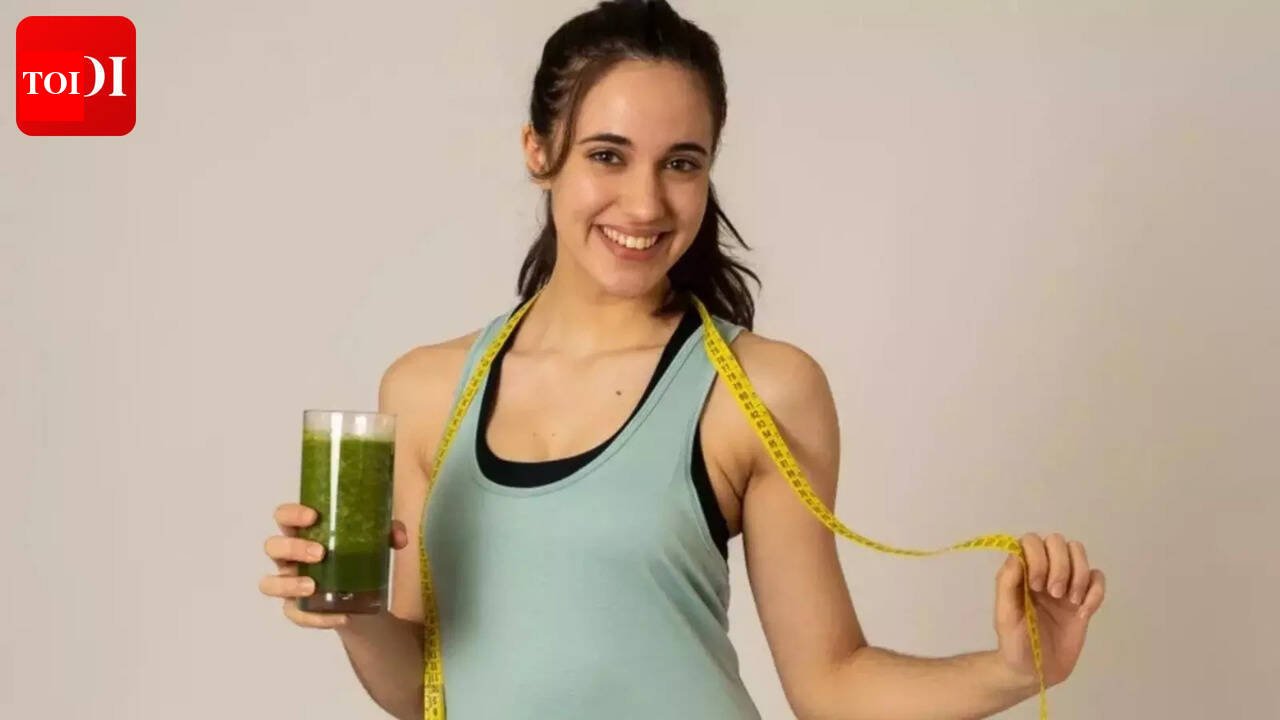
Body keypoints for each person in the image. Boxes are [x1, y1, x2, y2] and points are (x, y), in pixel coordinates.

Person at [259, 1, 1107, 718]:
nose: (645, 203)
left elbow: (830, 684)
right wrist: (350, 611)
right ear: (538, 151)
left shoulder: (759, 391)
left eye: (682, 163)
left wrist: (1016, 668)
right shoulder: (425, 391)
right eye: (608, 155)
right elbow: (430, 688)